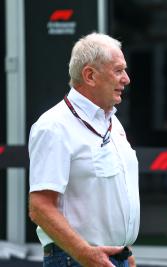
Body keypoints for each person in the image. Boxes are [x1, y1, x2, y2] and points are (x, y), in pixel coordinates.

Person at [28, 33, 139, 267]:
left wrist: (126, 252)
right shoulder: (54, 126)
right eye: (118, 70)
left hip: (112, 257)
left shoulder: (111, 121)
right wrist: (84, 253)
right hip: (77, 259)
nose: (126, 79)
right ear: (90, 75)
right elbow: (40, 207)